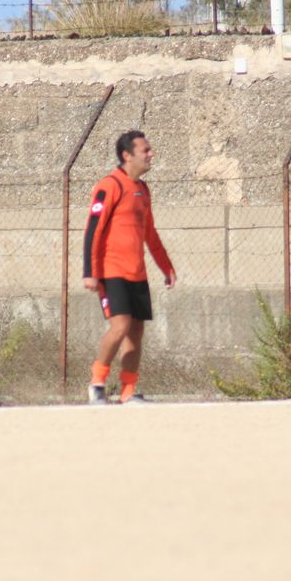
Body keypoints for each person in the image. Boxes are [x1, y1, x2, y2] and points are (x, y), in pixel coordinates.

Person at [82, 130, 177, 405]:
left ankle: (128, 390)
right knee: (120, 326)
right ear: (127, 155)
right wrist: (89, 271)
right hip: (111, 271)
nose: (151, 154)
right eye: (145, 150)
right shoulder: (109, 185)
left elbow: (150, 234)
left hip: (137, 273)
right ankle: (97, 383)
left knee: (136, 331)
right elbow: (93, 230)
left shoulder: (143, 189)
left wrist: (166, 267)